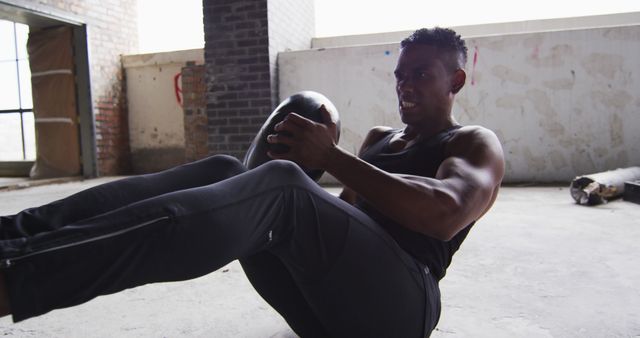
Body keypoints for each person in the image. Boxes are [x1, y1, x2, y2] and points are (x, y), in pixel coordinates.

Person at [0, 27, 504, 337]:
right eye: (400, 74)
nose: (405, 84)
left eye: (420, 74)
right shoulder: (380, 138)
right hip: (325, 312)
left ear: (455, 81)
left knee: (280, 186)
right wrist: (311, 168)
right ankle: (16, 233)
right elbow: (347, 229)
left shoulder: (473, 143)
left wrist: (329, 159)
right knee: (228, 171)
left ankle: (17, 280)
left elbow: (444, 214)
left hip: (401, 314)